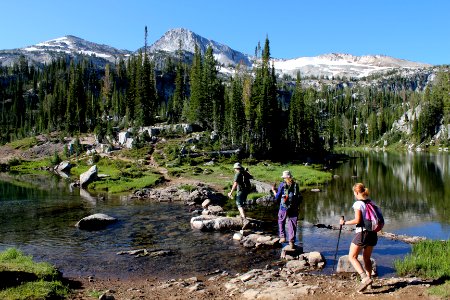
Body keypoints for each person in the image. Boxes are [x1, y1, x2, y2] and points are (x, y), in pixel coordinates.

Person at [340, 182, 378, 292]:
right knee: (366, 258)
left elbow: (357, 220)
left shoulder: (358, 204)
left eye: (354, 193)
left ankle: (365, 278)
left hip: (362, 233)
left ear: (357, 192)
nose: (354, 195)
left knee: (352, 256)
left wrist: (344, 222)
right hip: (373, 233)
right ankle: (369, 282)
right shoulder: (371, 202)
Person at [271, 170, 301, 249]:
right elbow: (298, 196)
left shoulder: (282, 185)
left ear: (285, 178)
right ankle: (291, 241)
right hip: (294, 207)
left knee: (281, 221)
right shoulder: (296, 185)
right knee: (292, 224)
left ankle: (282, 237)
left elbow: (277, 197)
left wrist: (274, 190)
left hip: (283, 207)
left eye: (284, 178)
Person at [228, 162, 250, 229]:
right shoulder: (244, 172)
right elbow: (251, 177)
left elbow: (235, 184)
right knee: (242, 203)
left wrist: (231, 192)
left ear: (235, 168)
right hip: (246, 190)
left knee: (239, 204)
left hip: (240, 190)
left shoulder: (237, 174)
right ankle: (242, 216)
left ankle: (244, 219)